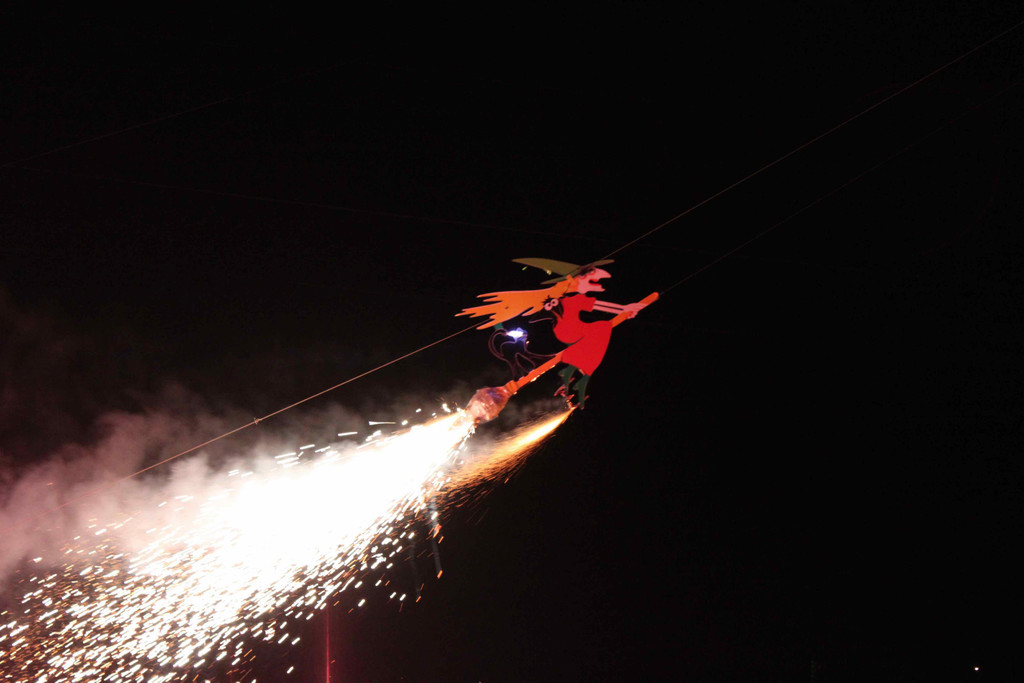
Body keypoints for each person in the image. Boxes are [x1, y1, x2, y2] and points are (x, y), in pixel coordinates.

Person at [459, 258, 648, 407]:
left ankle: (572, 380)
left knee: (593, 340)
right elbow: (599, 305)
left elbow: (599, 305)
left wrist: (625, 309)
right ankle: (573, 376)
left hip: (570, 331)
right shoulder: (568, 300)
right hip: (569, 331)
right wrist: (625, 309)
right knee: (600, 330)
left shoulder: (571, 300)